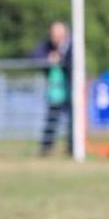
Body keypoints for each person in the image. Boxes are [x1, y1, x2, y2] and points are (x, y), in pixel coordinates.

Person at [36, 21, 74, 156]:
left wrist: (61, 59)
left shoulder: (73, 46)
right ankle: (46, 147)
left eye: (58, 34)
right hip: (55, 90)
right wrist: (48, 58)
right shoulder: (47, 46)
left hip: (70, 88)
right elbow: (35, 55)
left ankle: (73, 147)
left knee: (73, 120)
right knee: (52, 118)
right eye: (53, 34)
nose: (55, 37)